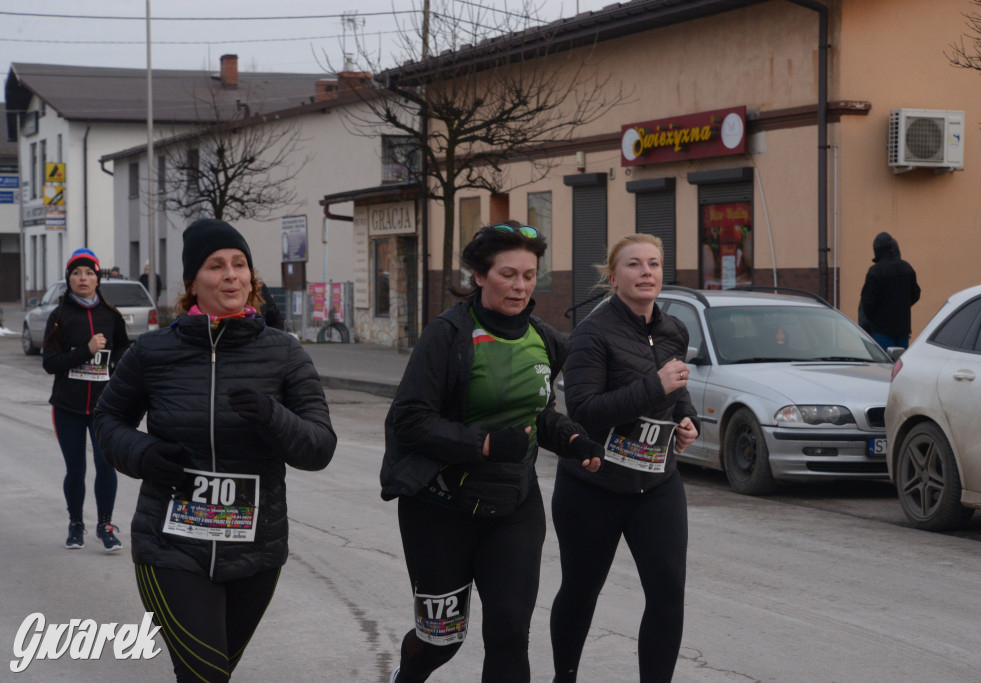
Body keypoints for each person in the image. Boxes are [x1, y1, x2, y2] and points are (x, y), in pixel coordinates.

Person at [94, 218, 337, 682]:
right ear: (193, 282)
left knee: (210, 673)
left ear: (251, 277)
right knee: (205, 675)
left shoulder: (284, 353)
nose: (231, 275)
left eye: (240, 264)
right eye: (216, 265)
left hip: (254, 550)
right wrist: (143, 454)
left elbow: (320, 446)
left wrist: (273, 417)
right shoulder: (153, 352)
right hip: (170, 544)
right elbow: (108, 420)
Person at [381, 222, 603, 683]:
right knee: (441, 638)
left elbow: (538, 413)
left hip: (514, 504)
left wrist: (572, 439)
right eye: (508, 274)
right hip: (440, 507)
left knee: (508, 632)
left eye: (529, 275)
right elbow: (409, 419)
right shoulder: (448, 335)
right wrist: (482, 443)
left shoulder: (544, 339)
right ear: (480, 276)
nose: (520, 286)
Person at [550, 233, 699, 683]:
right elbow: (584, 410)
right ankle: (565, 678)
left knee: (668, 592)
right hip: (593, 484)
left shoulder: (673, 330)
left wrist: (688, 420)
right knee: (581, 590)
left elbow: (677, 390)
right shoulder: (592, 333)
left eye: (654, 264)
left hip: (656, 483)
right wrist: (655, 386)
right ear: (614, 277)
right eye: (634, 265)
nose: (647, 273)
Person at [43, 247, 131, 551]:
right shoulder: (59, 315)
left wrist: (116, 362)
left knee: (106, 466)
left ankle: (105, 525)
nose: (83, 278)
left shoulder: (110, 315)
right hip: (67, 406)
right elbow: (50, 363)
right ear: (69, 279)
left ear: (97, 279)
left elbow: (123, 349)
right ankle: (76, 524)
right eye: (77, 273)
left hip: (103, 408)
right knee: (76, 469)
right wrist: (86, 351)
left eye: (89, 273)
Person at [859, 231, 920, 349]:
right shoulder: (907, 268)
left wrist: (875, 318)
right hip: (903, 329)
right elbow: (916, 293)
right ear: (892, 247)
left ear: (876, 250)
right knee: (898, 364)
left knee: (884, 364)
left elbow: (867, 301)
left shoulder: (875, 271)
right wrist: (902, 306)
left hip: (881, 330)